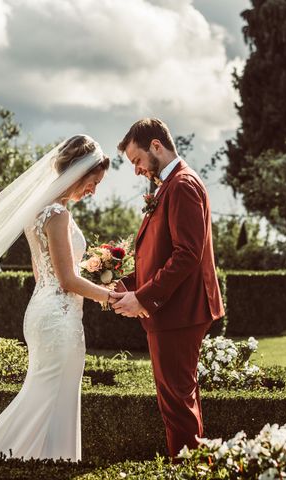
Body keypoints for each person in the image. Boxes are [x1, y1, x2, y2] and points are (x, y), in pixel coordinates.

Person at [0, 135, 117, 461]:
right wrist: (110, 296)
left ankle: (43, 462)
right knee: (49, 395)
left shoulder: (39, 211)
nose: (94, 190)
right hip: (58, 317)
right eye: (93, 181)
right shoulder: (58, 213)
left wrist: (90, 272)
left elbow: (43, 271)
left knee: (47, 393)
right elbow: (67, 279)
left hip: (44, 310)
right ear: (77, 172)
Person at [111, 118, 225, 459]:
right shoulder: (169, 184)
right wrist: (127, 284)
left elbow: (187, 255)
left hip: (180, 310)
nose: (136, 170)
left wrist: (143, 298)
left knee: (176, 401)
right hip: (173, 309)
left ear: (156, 146)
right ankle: (191, 465)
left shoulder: (183, 185)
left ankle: (187, 469)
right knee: (177, 398)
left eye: (137, 161)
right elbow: (160, 254)